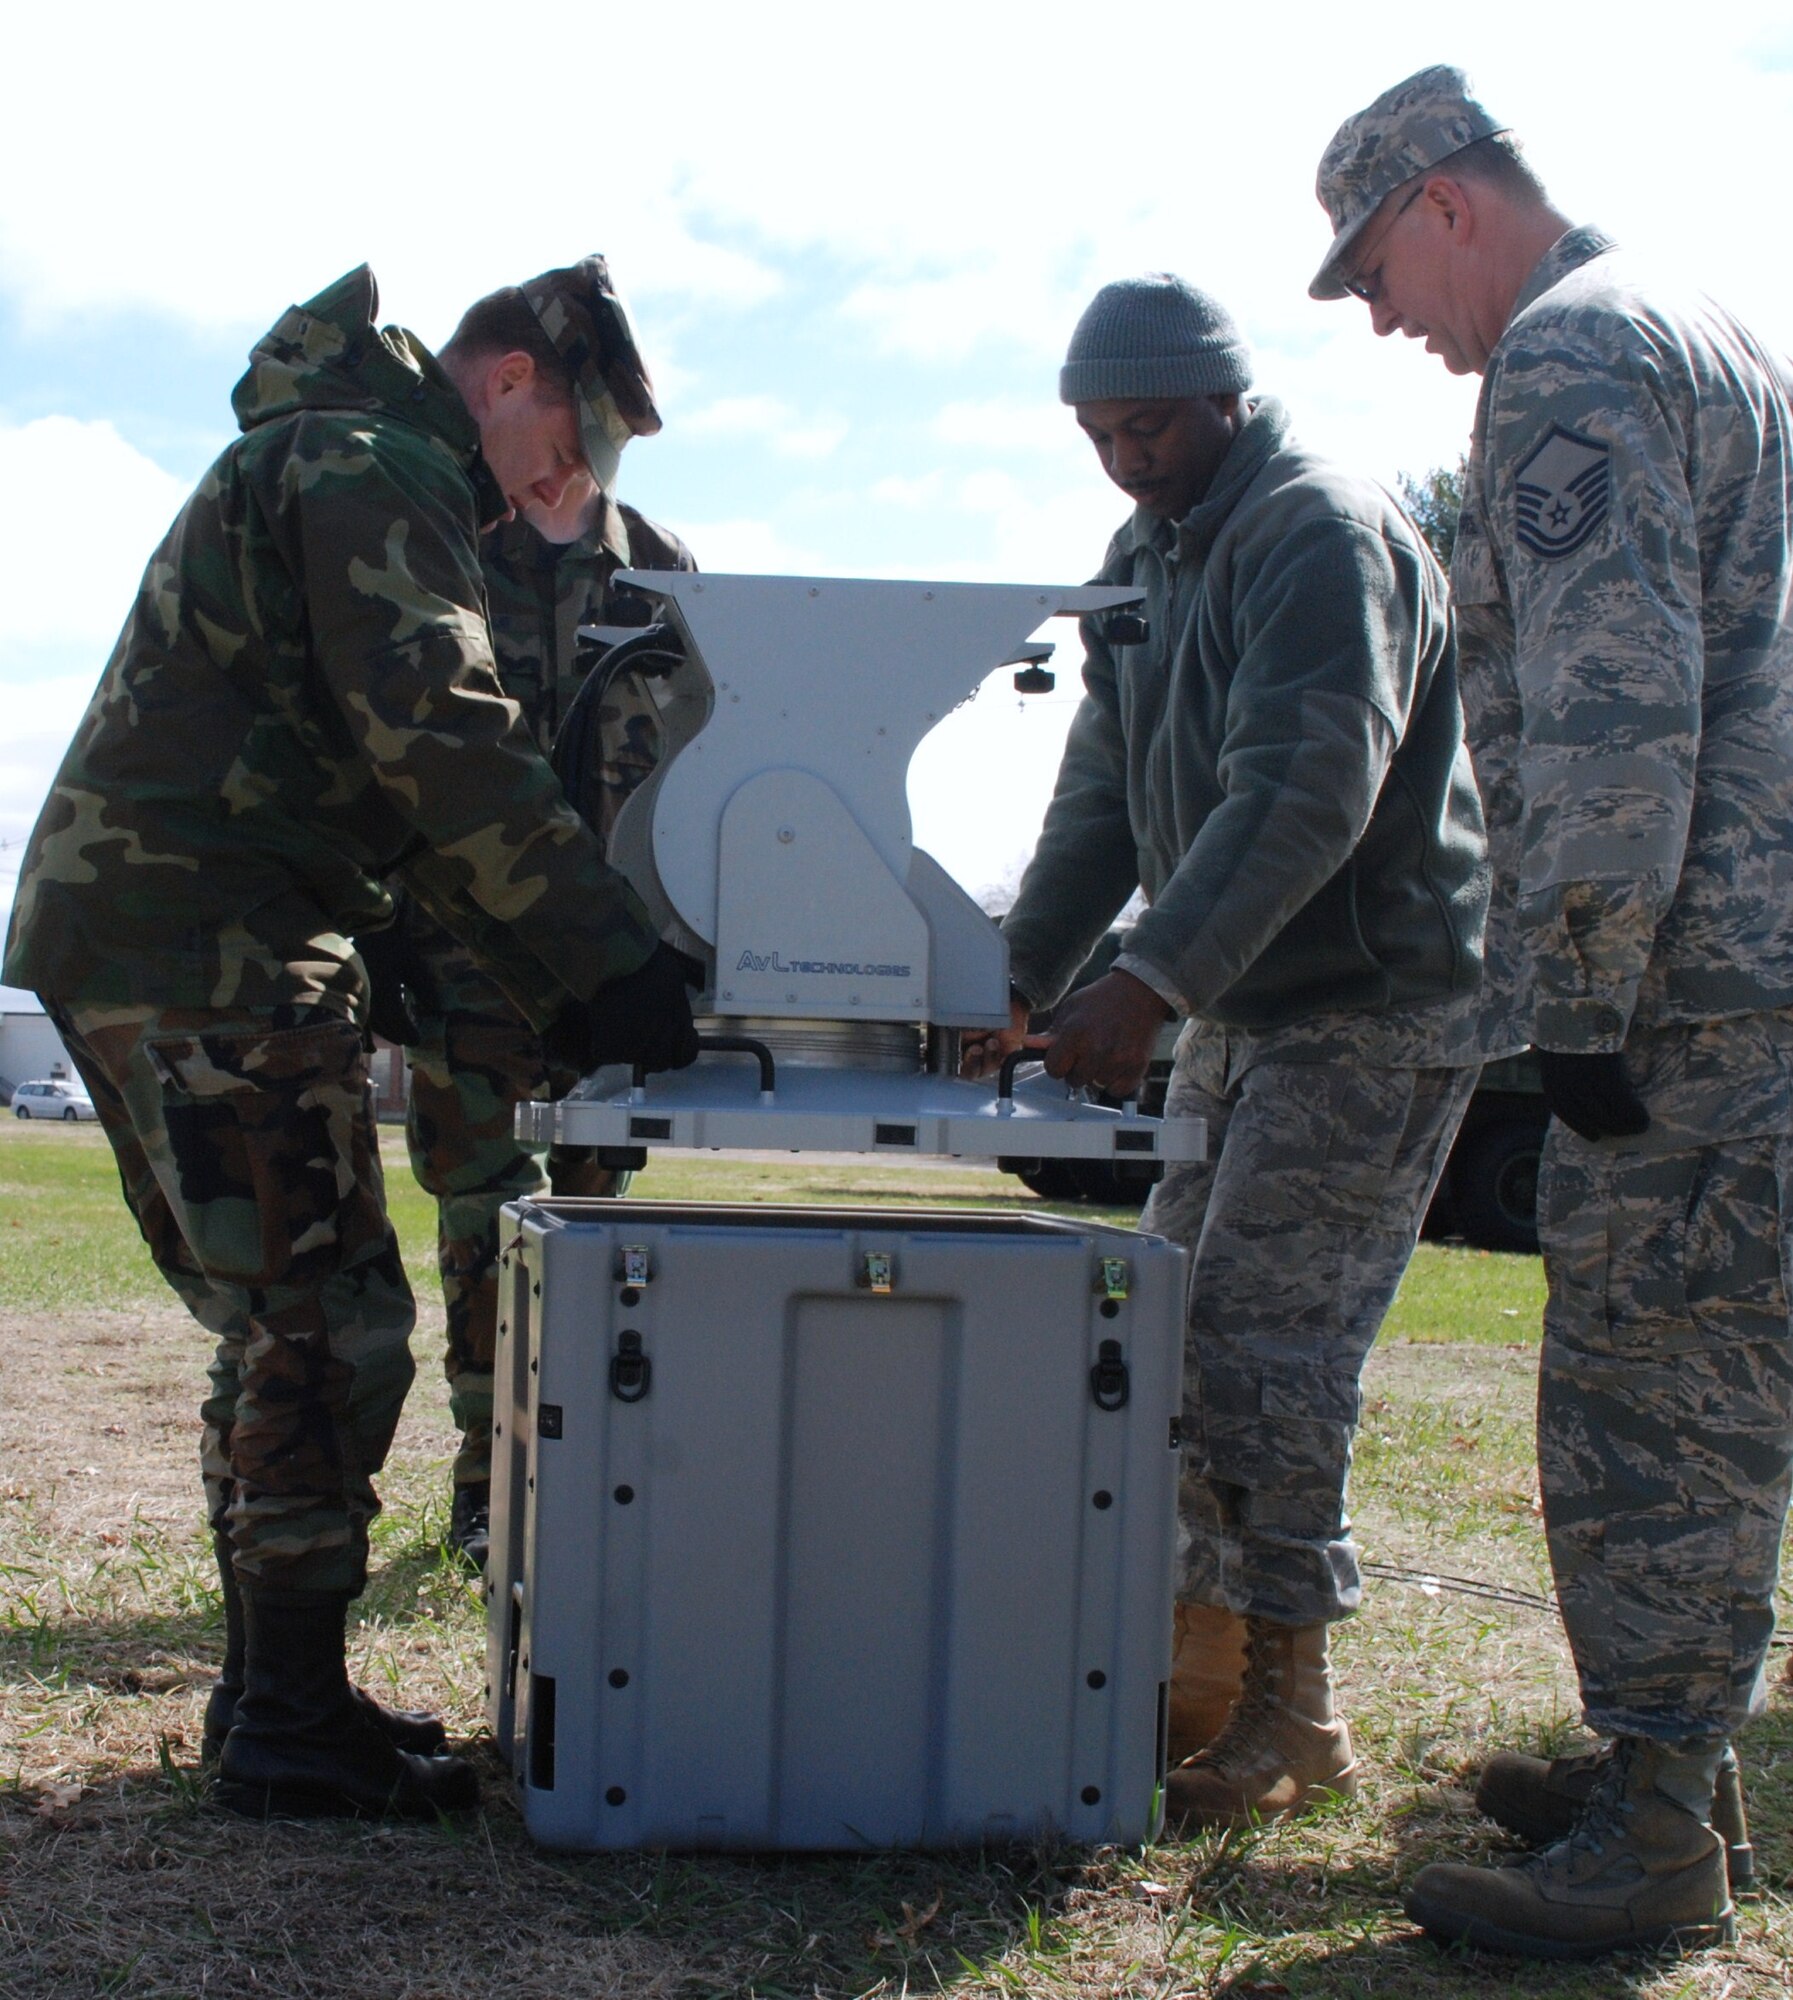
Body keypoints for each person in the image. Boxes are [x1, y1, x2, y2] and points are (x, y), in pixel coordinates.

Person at [2, 256, 704, 1821]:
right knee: (329, 1328)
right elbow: (437, 730)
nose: (567, 488)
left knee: (282, 1328)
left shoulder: (334, 452)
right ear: (513, 378)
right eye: (572, 446)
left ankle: (277, 1696)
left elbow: (353, 748)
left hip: (188, 926)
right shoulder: (371, 460)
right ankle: (287, 1721)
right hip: (205, 939)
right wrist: (606, 959)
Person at [1310, 64, 1793, 1959]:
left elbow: (1612, 700)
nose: (1377, 321)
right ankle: (1674, 1778)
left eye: (1368, 270)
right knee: (1707, 1379)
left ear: (1443, 203)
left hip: (1687, 986)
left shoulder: (1569, 361)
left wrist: (1577, 982)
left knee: (1644, 1397)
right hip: (1748, 961)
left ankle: (1656, 1830)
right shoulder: (1702, 327)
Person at [964, 274, 1488, 1831]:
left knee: (1267, 1355)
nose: (1123, 460)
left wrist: (1147, 980)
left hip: (1374, 1003)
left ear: (1225, 401)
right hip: (1248, 1003)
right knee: (1160, 1344)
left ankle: (1291, 1719)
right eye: (1095, 434)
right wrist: (1003, 974)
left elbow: (1306, 786)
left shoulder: (1313, 531)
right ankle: (1191, 1691)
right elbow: (1101, 798)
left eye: (1146, 428)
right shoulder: (1150, 556)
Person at [370, 477, 696, 1573]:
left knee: (595, 1221)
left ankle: (588, 1471)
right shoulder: (448, 542)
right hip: (467, 953)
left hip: (613, 963)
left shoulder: (655, 560)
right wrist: (382, 926)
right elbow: (388, 736)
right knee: (480, 1220)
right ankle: (486, 1479)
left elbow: (713, 744)